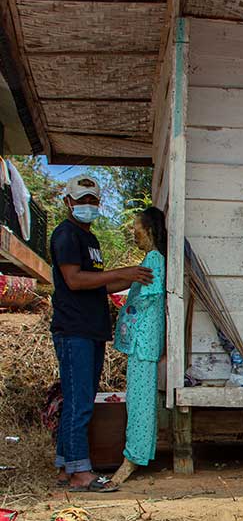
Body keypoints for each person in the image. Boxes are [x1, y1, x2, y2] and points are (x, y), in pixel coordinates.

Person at [51, 175, 152, 493]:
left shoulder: (89, 239)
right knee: (79, 400)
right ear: (69, 202)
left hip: (91, 329)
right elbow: (74, 280)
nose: (88, 206)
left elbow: (100, 284)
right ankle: (80, 472)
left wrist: (134, 279)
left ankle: (67, 465)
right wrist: (124, 272)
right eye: (82, 201)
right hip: (74, 329)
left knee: (80, 398)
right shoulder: (67, 235)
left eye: (93, 201)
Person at [110, 207, 167, 486]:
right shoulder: (149, 259)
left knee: (140, 403)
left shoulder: (154, 259)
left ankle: (133, 458)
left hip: (144, 342)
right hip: (141, 343)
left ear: (150, 230)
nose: (134, 233)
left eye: (137, 228)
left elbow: (147, 298)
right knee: (139, 400)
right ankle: (136, 453)